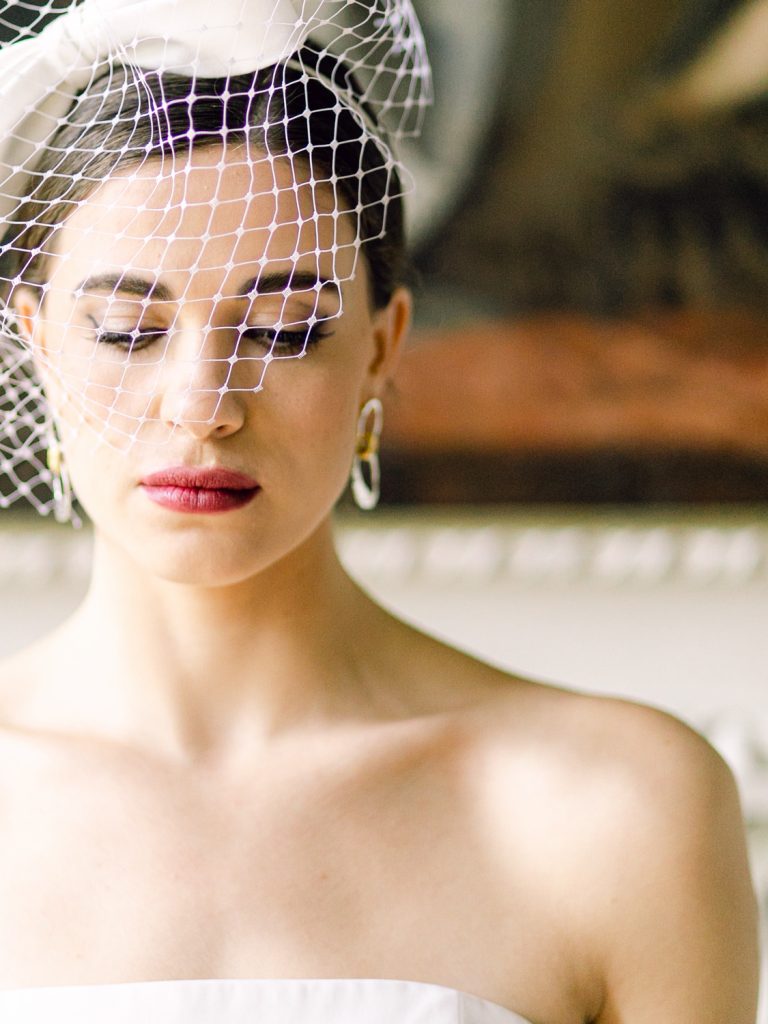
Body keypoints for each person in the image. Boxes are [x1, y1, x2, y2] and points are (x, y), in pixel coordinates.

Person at [0, 2, 759, 1022]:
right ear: (38, 340)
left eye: (283, 328)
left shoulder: (618, 807)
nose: (203, 405)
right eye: (129, 331)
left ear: (383, 346)